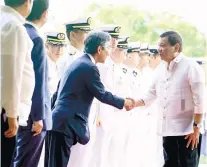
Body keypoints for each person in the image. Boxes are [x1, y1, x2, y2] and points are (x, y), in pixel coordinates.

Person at [44, 31, 134, 167]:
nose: (109, 52)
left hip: (59, 122)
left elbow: (57, 92)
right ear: (99, 49)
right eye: (108, 48)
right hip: (66, 125)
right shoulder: (89, 67)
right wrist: (124, 102)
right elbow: (102, 94)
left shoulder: (79, 62)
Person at [134, 31, 205, 167]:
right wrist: (133, 103)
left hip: (187, 133)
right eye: (158, 46)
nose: (159, 49)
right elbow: (151, 94)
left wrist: (196, 127)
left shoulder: (191, 67)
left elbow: (200, 101)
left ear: (176, 48)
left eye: (163, 45)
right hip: (167, 130)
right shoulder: (161, 69)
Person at [10, 0, 50, 166]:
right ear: (45, 14)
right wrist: (38, 117)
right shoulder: (36, 38)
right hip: (32, 118)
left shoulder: (17, 31)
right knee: (27, 162)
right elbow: (37, 81)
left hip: (17, 110)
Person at [0, 0, 34, 166]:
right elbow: (11, 73)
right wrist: (12, 113)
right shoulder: (13, 26)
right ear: (28, 2)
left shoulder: (4, 20)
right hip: (5, 112)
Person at [45, 32, 67, 97]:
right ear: (47, 46)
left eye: (62, 46)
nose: (59, 50)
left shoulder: (61, 63)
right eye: (55, 45)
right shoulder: (43, 65)